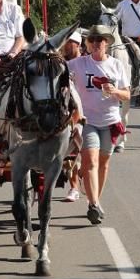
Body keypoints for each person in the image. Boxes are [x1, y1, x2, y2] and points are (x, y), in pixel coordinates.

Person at [68, 25, 130, 224]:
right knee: (91, 162)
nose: (95, 44)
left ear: (106, 43)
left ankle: (95, 201)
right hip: (87, 121)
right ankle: (94, 205)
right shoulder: (78, 64)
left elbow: (127, 94)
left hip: (111, 121)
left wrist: (114, 91)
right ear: (87, 43)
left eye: (99, 40)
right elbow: (58, 71)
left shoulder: (117, 66)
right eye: (92, 40)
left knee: (103, 164)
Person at [62, 29, 83, 202]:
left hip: (88, 112)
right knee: (71, 151)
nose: (65, 46)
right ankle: (74, 187)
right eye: (64, 42)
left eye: (69, 43)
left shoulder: (85, 63)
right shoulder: (61, 63)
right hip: (70, 112)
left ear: (77, 44)